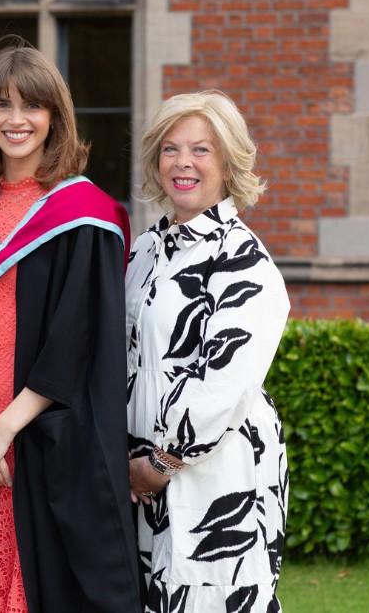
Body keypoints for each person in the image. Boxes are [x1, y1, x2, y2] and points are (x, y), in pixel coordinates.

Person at [0, 43, 142, 612]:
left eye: (32, 107)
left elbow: (75, 342)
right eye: (1, 105)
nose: (16, 120)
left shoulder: (85, 215)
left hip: (42, 443)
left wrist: (3, 432)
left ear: (54, 118)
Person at [125, 91, 290, 612]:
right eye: (170, 149)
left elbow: (223, 382)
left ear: (229, 161)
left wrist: (161, 462)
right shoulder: (144, 250)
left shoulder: (242, 261)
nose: (183, 163)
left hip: (214, 473)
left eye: (201, 150)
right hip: (139, 472)